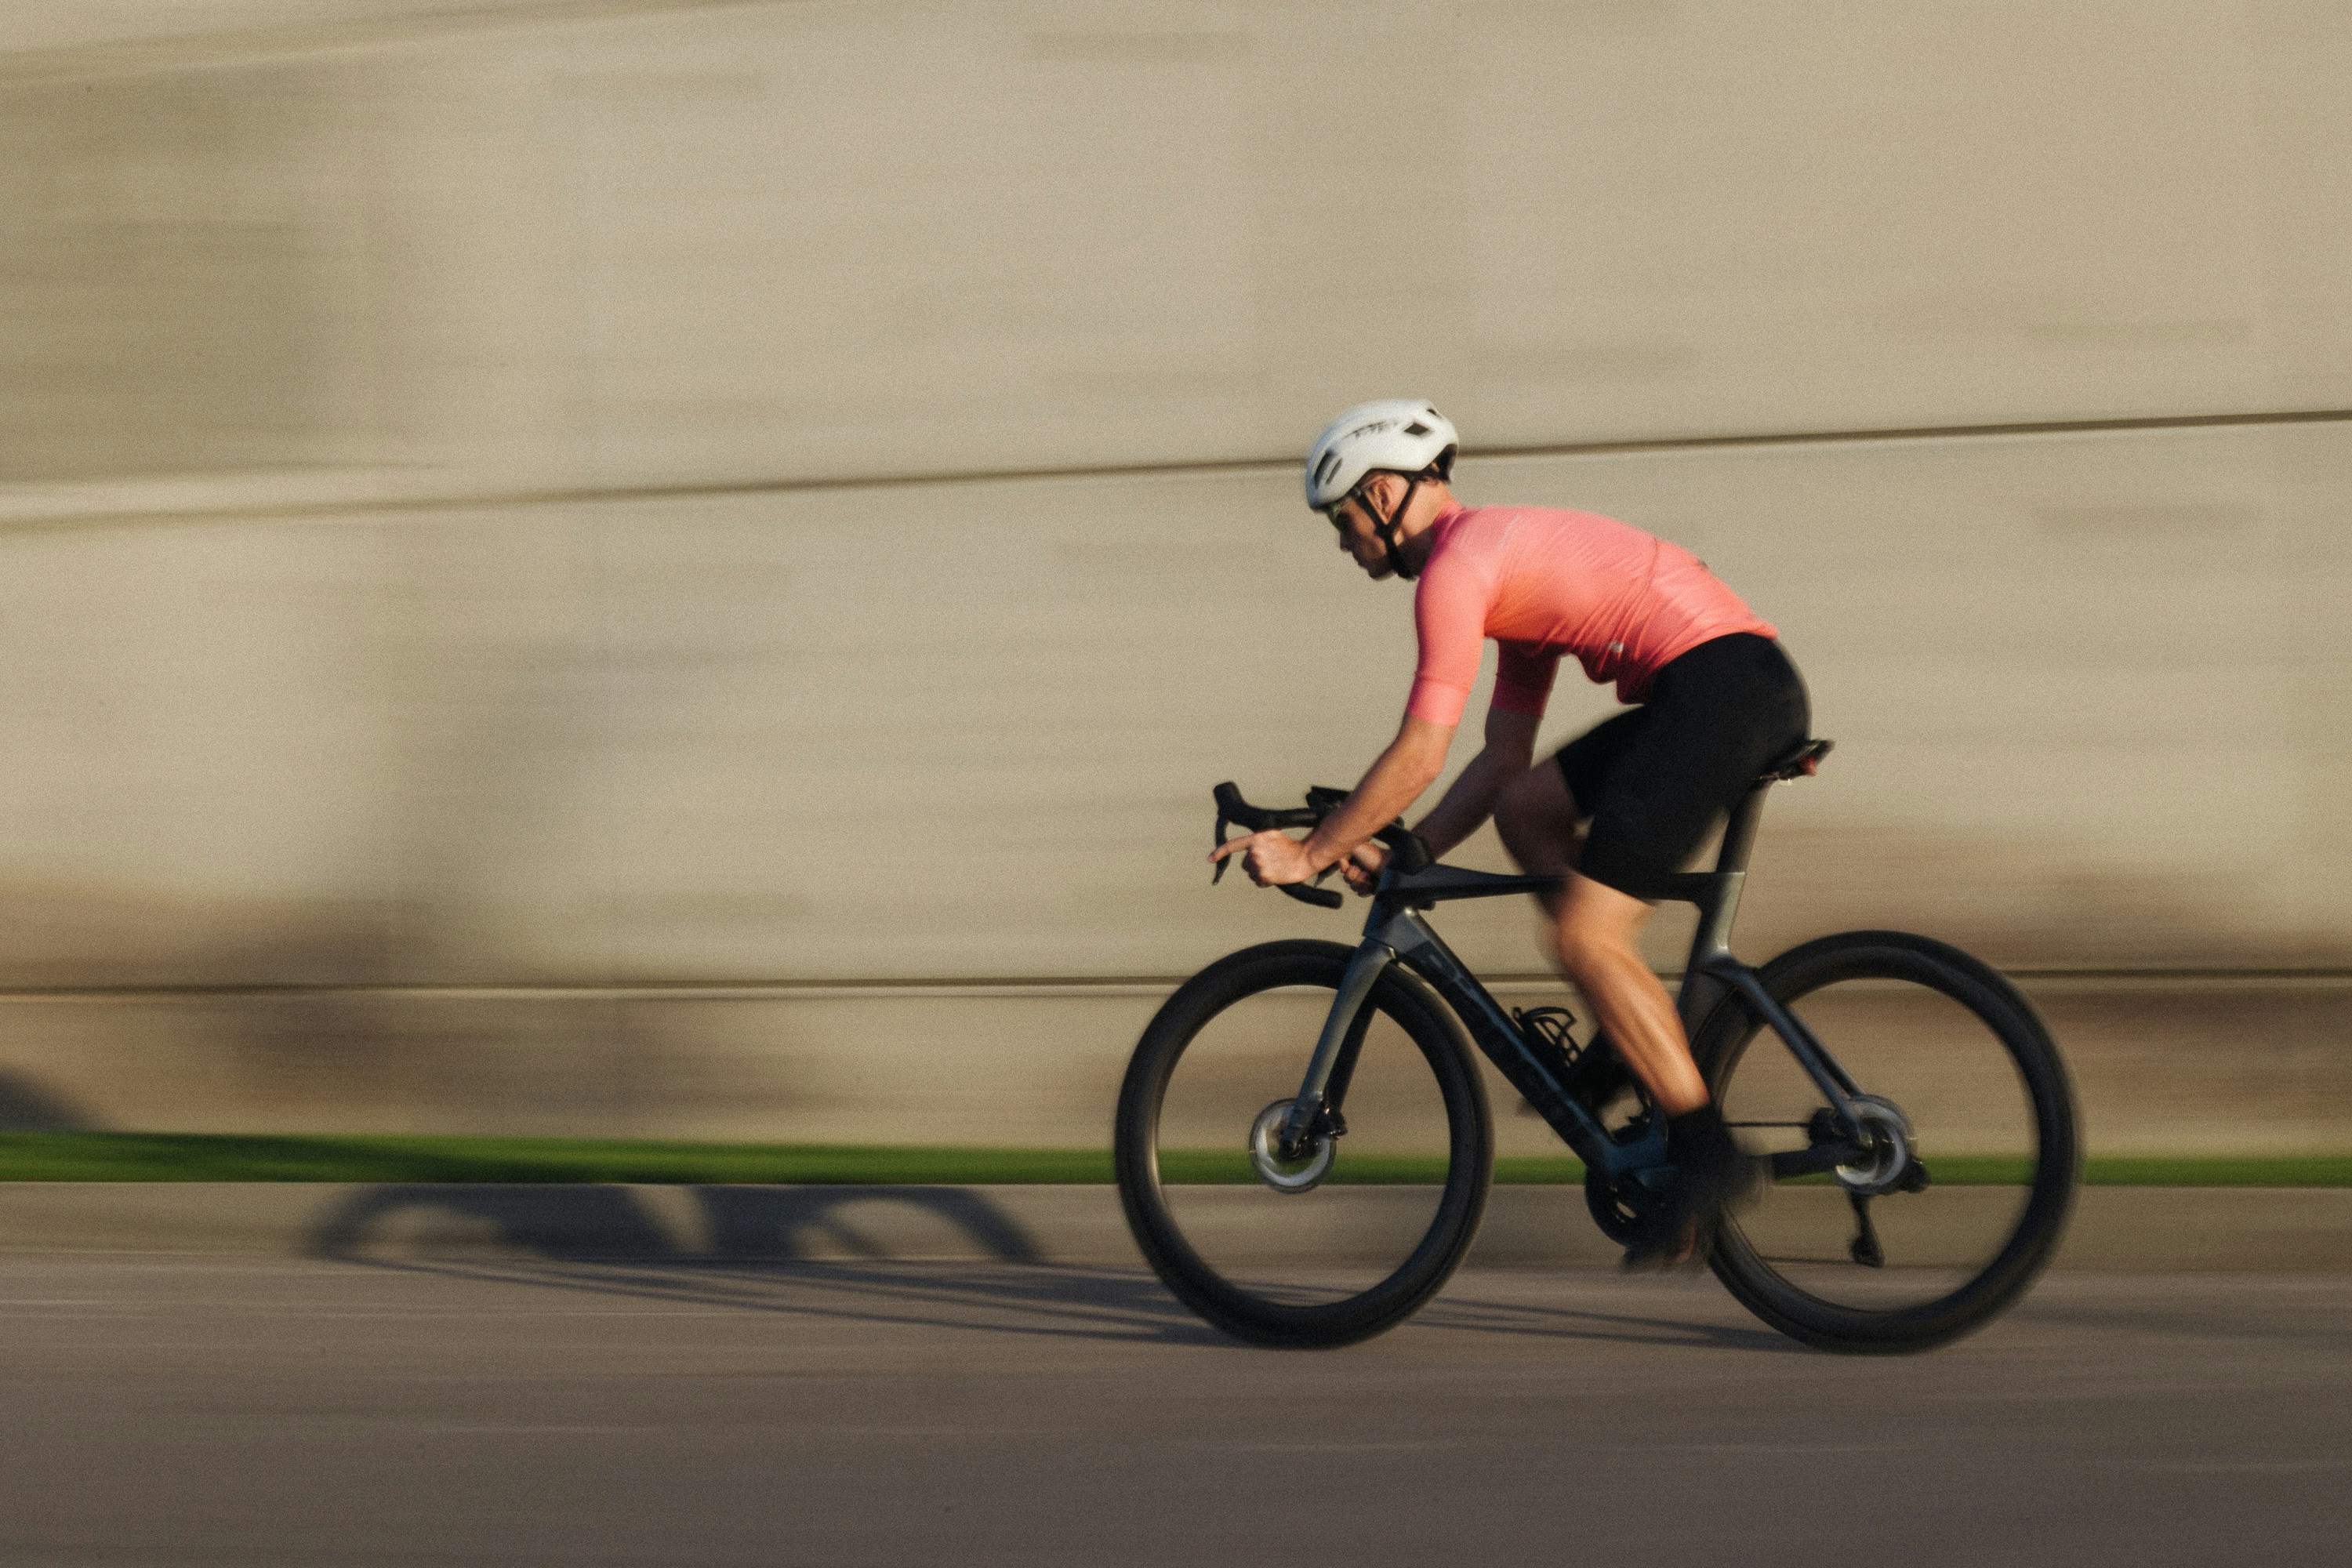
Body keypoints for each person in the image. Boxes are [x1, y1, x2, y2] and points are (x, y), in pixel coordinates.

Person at [1209, 398, 1810, 1267]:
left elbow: (1421, 751)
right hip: (1726, 684)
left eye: (1343, 521)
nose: (1344, 544)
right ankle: (1622, 1034)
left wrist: (1313, 849)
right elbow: (1501, 762)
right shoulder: (1499, 567)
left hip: (1721, 690)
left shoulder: (1457, 571)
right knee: (1533, 806)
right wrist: (1409, 852)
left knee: (1586, 933)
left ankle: (1708, 1151)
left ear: (1382, 494)